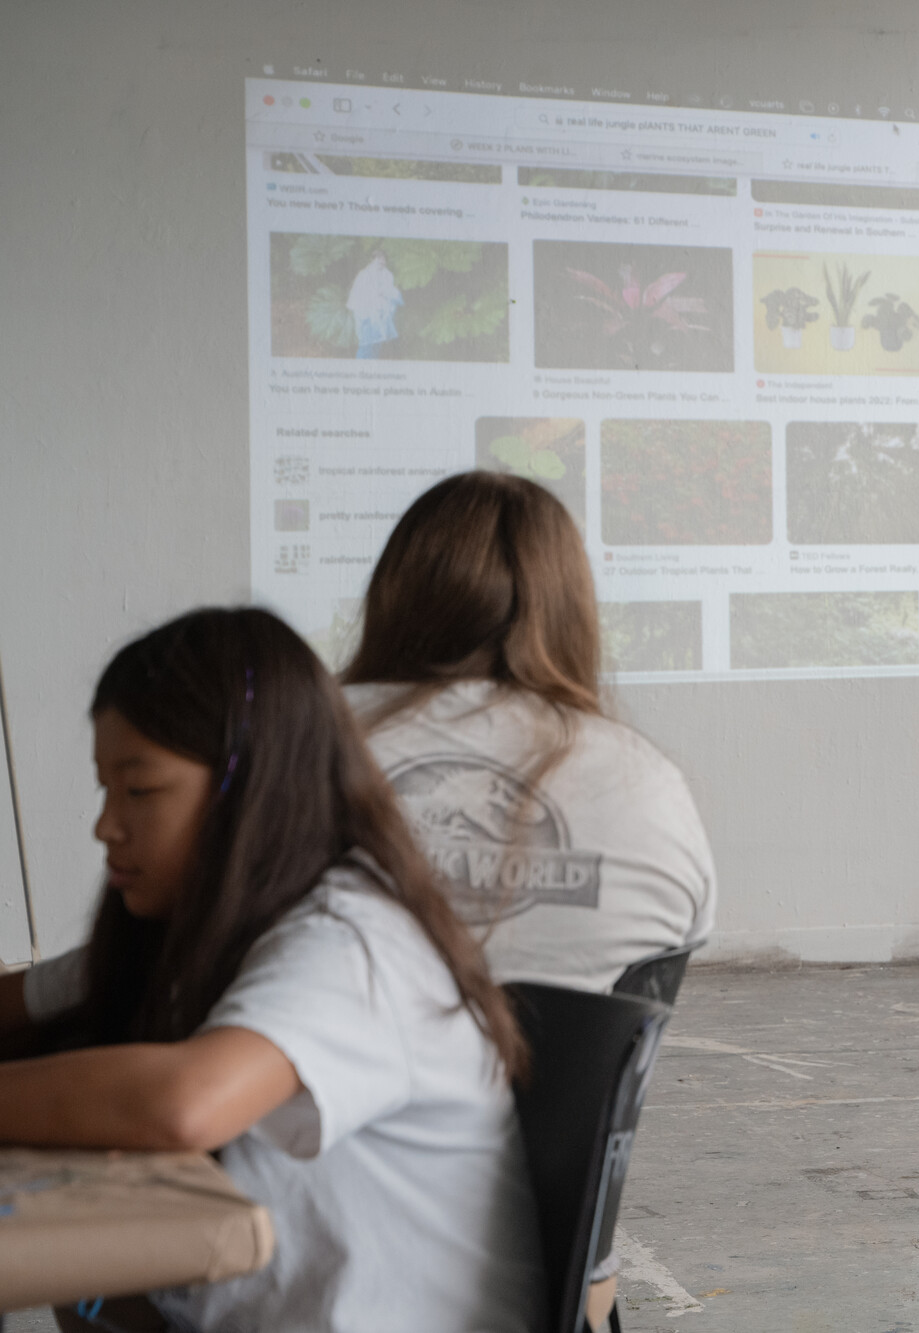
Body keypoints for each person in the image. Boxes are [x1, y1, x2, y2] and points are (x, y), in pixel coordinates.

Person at [0, 607, 542, 1331]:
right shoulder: (200, 928)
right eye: (104, 789)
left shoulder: (354, 941)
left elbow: (185, 1102)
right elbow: (26, 1000)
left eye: (139, 790)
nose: (106, 824)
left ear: (248, 785)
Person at [343, 470, 716, 992]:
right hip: (566, 1075)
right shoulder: (649, 780)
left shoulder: (295, 733)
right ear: (572, 610)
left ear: (392, 592)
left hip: (322, 1071)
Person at [347, 249, 403, 358]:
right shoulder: (364, 275)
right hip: (366, 314)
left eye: (383, 260)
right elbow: (358, 295)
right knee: (365, 344)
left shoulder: (388, 275)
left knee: (378, 342)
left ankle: (373, 366)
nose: (381, 262)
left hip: (382, 314)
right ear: (372, 260)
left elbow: (392, 292)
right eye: (378, 260)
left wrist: (386, 295)